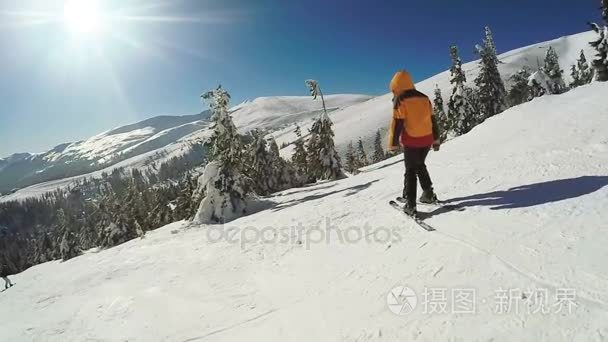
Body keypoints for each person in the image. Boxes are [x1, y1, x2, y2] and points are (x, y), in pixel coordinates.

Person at [387, 70, 441, 216]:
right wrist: (436, 140)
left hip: (412, 140)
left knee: (411, 171)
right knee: (419, 165)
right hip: (427, 140)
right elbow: (433, 120)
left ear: (396, 87)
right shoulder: (424, 98)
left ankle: (410, 205)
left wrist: (392, 143)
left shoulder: (401, 100)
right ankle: (427, 194)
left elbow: (397, 123)